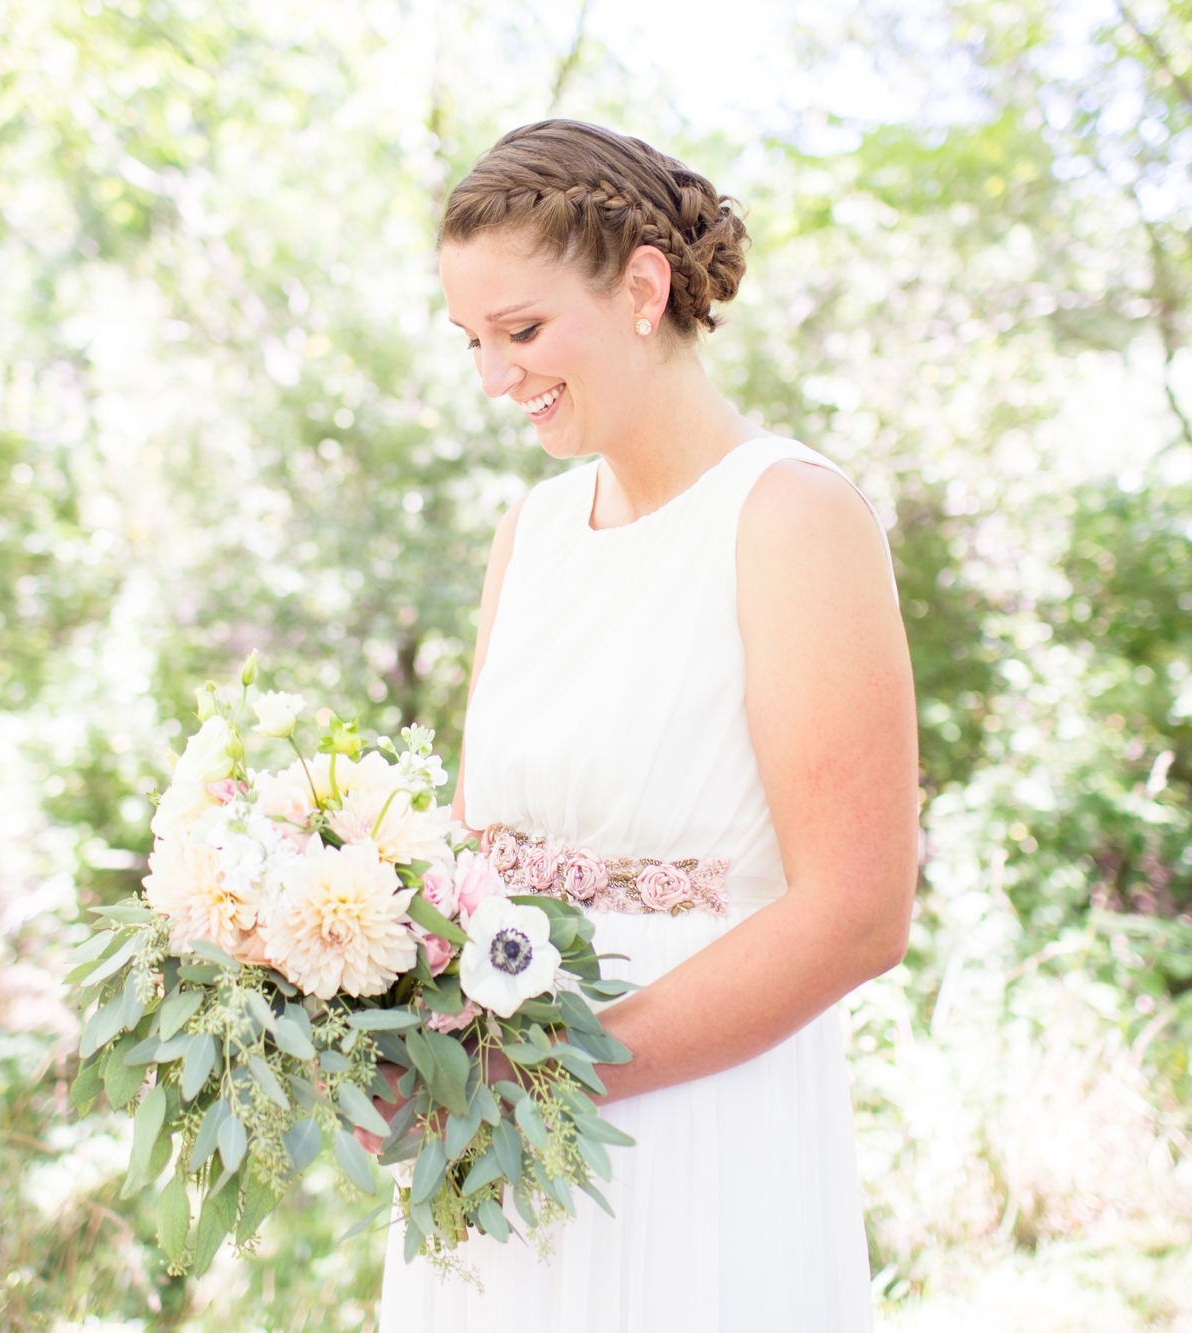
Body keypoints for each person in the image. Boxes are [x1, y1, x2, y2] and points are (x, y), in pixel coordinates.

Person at [373, 120, 919, 1332]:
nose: (493, 379)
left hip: (694, 1120)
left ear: (639, 286)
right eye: (471, 342)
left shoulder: (788, 516)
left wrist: (559, 1068)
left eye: (520, 332)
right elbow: (472, 857)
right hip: (495, 1118)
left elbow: (857, 911)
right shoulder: (531, 531)